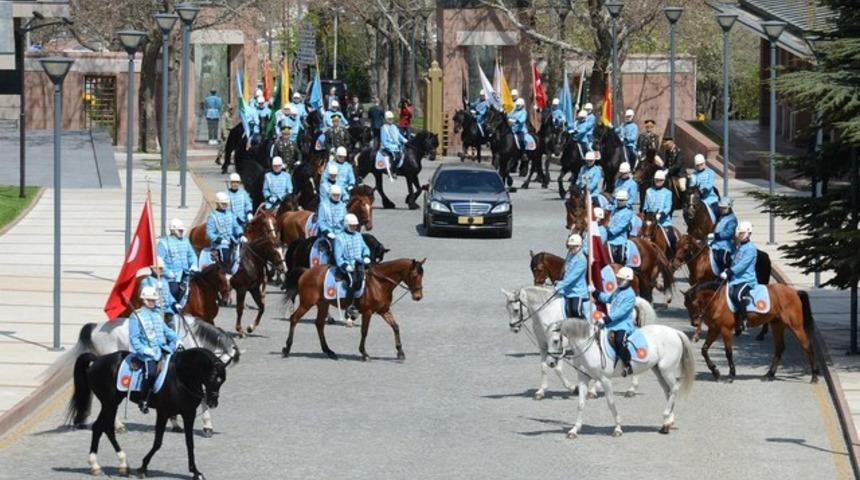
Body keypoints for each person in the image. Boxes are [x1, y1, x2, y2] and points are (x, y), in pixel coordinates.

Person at [129, 285, 178, 414]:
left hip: (162, 350)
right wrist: (144, 350)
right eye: (151, 300)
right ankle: (143, 399)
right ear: (144, 300)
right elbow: (134, 339)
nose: (153, 302)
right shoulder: (136, 316)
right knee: (150, 374)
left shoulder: (156, 315)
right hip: (147, 353)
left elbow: (166, 331)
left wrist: (177, 339)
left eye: (154, 300)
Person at [592, 266, 637, 376]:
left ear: (627, 280)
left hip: (623, 324)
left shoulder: (630, 295)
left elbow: (621, 312)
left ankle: (627, 364)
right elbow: (608, 299)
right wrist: (595, 292)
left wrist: (606, 319)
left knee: (618, 341)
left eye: (620, 280)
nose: (618, 281)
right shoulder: (618, 290)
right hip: (612, 323)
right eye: (618, 279)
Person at [722, 221, 757, 335]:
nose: (740, 236)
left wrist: (730, 272)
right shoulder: (740, 246)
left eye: (742, 234)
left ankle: (745, 319)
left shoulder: (751, 248)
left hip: (746, 279)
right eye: (739, 234)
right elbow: (735, 260)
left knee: (736, 295)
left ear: (748, 234)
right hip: (735, 279)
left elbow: (743, 265)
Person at [334, 213, 371, 319]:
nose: (354, 227)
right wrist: (345, 266)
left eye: (355, 226)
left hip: (360, 263)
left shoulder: (358, 235)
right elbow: (338, 257)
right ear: (346, 225)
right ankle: (349, 307)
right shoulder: (339, 238)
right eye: (352, 226)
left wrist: (366, 255)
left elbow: (364, 247)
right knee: (352, 281)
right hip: (347, 265)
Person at [156, 219, 197, 302]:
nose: (182, 232)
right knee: (173, 291)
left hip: (186, 274)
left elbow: (192, 255)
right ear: (173, 230)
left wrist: (194, 265)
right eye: (179, 230)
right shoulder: (163, 243)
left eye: (182, 230)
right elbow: (159, 261)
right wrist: (168, 273)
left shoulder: (185, 241)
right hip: (171, 278)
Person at [206, 192, 245, 269]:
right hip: (220, 244)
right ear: (218, 203)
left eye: (226, 204)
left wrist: (241, 235)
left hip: (233, 240)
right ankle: (225, 272)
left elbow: (236, 226)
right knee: (226, 258)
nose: (225, 205)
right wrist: (221, 240)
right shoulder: (212, 216)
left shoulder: (230, 213)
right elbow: (210, 232)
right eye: (223, 204)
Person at [555, 233, 588, 319]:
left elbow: (572, 277)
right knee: (567, 311)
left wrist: (560, 285)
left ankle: (584, 327)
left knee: (576, 310)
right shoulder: (570, 255)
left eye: (574, 246)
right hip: (567, 290)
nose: (572, 248)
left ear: (579, 246)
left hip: (578, 291)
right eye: (571, 246)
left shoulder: (581, 259)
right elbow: (566, 271)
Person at [643, 170, 676, 251]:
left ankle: (672, 255)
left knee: (672, 238)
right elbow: (645, 207)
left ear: (663, 181)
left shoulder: (668, 193)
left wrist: (661, 214)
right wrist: (648, 215)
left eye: (660, 180)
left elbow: (668, 207)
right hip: (650, 220)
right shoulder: (648, 191)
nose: (658, 182)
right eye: (656, 180)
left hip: (664, 222)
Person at [141, 257, 178, 324]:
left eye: (161, 268)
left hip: (167, 311)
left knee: (174, 323)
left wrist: (174, 303)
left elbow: (169, 295)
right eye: (157, 268)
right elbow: (146, 297)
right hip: (154, 310)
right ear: (152, 268)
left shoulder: (164, 281)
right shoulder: (147, 281)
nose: (159, 270)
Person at [709, 197, 737, 273]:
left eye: (723, 208)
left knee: (722, 258)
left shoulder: (732, 219)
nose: (721, 210)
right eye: (720, 208)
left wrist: (716, 236)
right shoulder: (721, 217)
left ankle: (724, 273)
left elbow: (729, 233)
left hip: (725, 246)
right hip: (715, 243)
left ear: (729, 207)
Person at [607, 190, 634, 264]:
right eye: (618, 200)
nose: (619, 202)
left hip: (619, 240)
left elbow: (621, 226)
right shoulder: (614, 209)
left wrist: (609, 232)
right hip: (608, 238)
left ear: (626, 201)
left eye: (622, 200)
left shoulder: (628, 212)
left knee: (619, 259)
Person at [318, 185, 347, 254]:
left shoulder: (343, 205)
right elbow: (321, 221)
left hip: (340, 232)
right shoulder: (323, 205)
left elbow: (345, 220)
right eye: (334, 195)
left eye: (338, 195)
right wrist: (327, 232)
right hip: (328, 233)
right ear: (330, 194)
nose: (336, 197)